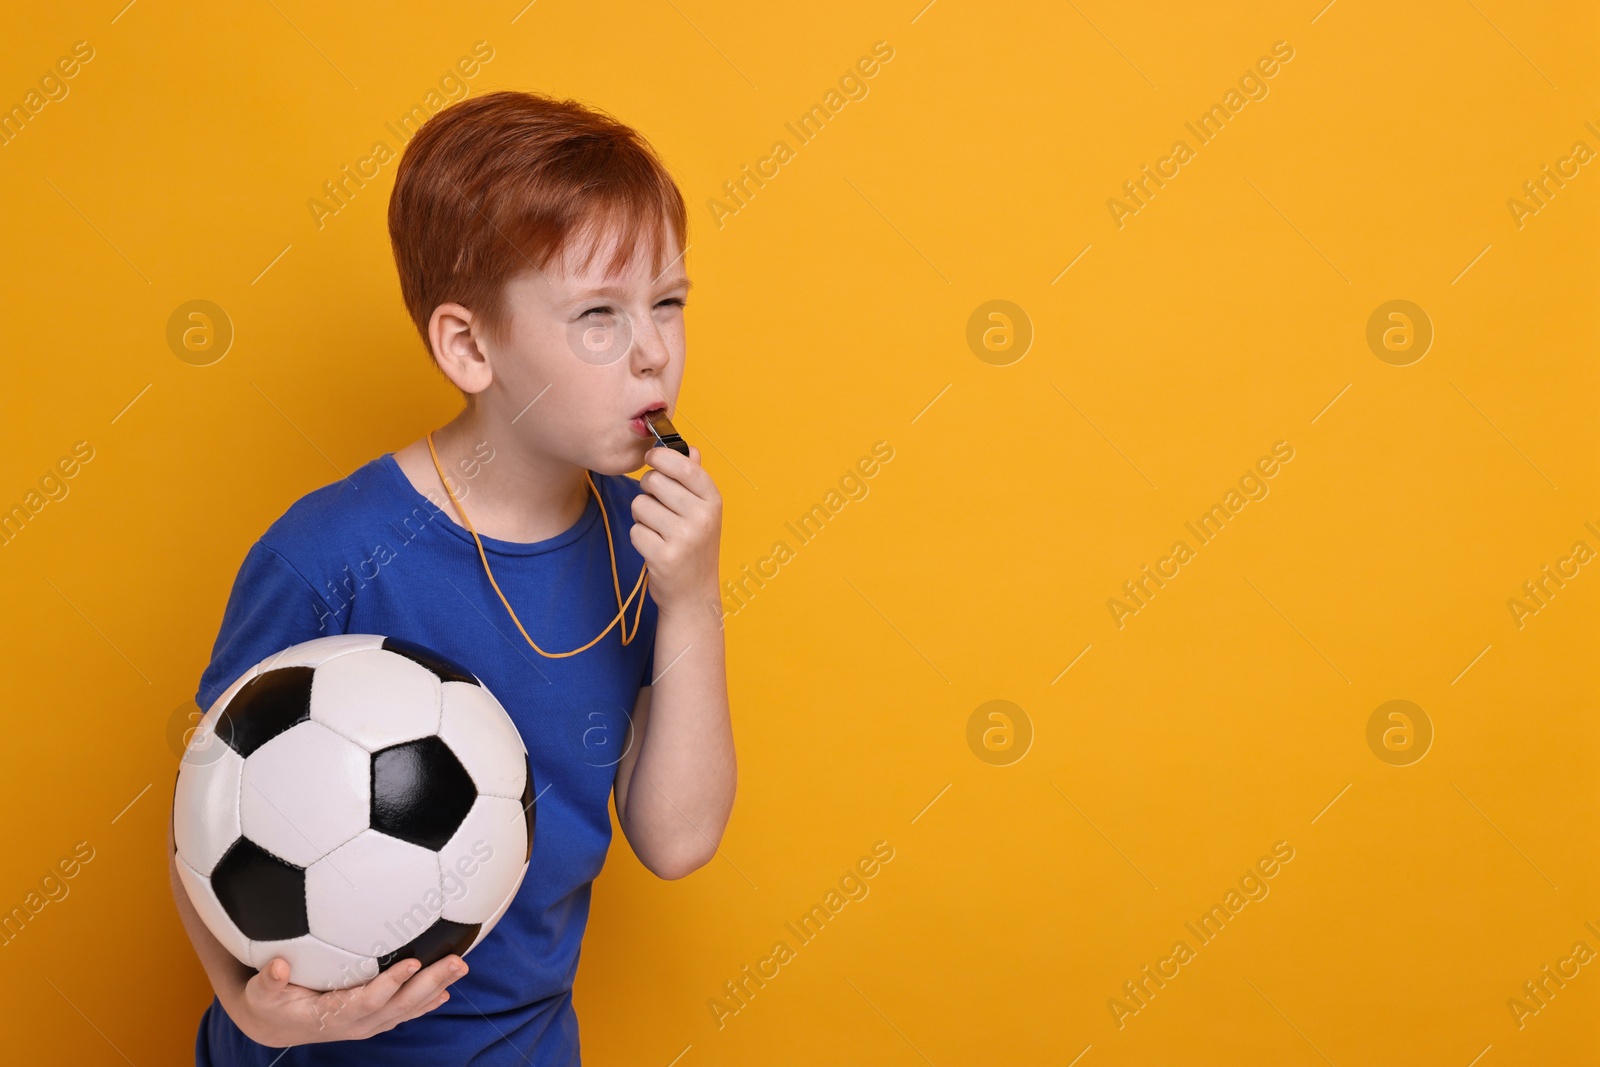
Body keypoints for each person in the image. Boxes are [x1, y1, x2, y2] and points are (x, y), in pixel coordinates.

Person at [168, 89, 736, 1065]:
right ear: (469, 345)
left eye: (668, 303)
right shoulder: (328, 556)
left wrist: (693, 596)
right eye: (598, 315)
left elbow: (676, 838)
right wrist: (250, 1009)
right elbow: (206, 816)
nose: (652, 350)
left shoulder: (636, 541)